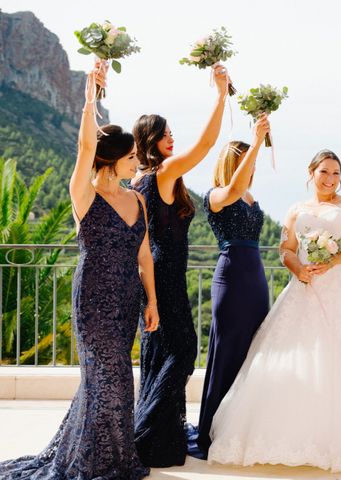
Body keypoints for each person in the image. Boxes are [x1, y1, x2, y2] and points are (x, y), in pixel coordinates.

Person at [0, 62, 158, 479]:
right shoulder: (83, 194)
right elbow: (84, 149)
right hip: (93, 297)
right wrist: (90, 100)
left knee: (119, 379)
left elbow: (144, 255)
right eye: (129, 158)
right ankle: (91, 460)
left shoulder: (138, 200)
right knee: (107, 379)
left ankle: (114, 456)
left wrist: (152, 301)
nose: (135, 163)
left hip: (128, 298)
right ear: (110, 160)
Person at [207, 149, 341, 475]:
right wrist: (299, 269)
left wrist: (333, 259)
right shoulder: (296, 210)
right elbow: (286, 250)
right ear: (311, 173)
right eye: (324, 172)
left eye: (336, 173)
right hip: (304, 289)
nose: (330, 179)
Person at [130, 64, 229, 467]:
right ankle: (144, 433)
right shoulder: (162, 172)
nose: (173, 138)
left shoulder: (137, 178)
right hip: (165, 273)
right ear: (151, 140)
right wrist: (221, 97)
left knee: (160, 353)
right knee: (184, 350)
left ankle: (159, 436)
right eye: (166, 133)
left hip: (155, 273)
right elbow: (205, 146)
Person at [187, 115, 271, 458]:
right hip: (232, 276)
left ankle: (243, 428)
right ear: (231, 165)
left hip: (257, 278)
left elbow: (244, 188)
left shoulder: (249, 195)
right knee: (229, 353)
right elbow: (235, 188)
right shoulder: (216, 196)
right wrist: (256, 140)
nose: (248, 169)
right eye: (243, 161)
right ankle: (212, 431)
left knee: (254, 352)